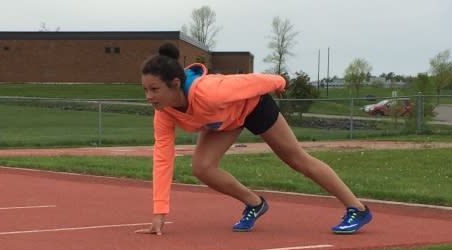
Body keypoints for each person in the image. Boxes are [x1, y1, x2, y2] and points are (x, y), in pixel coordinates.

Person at [136, 43, 372, 236]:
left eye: (154, 89)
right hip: (224, 122)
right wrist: (159, 213)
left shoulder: (209, 90)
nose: (149, 97)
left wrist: (279, 82)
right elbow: (163, 159)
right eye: (145, 90)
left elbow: (253, 81)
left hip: (253, 107)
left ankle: (357, 208)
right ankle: (255, 203)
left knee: (296, 159)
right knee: (202, 167)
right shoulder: (164, 113)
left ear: (175, 84)